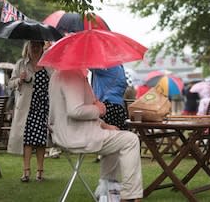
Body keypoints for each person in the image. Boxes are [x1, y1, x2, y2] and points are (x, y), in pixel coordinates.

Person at [48, 69, 143, 202]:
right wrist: (98, 109)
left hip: (72, 133)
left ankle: (107, 191)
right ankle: (130, 195)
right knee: (131, 140)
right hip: (76, 136)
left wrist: (105, 126)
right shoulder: (72, 75)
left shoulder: (59, 74)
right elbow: (75, 111)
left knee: (117, 136)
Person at [7, 40, 51, 182]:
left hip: (44, 107)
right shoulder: (21, 64)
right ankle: (26, 172)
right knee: (27, 140)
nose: (36, 48)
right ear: (28, 47)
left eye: (38, 45)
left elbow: (55, 81)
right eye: (33, 45)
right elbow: (10, 84)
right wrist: (19, 80)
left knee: (41, 140)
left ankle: (40, 172)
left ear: (42, 47)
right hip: (27, 108)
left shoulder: (48, 64)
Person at [92, 65, 129, 130]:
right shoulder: (119, 67)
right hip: (118, 107)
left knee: (106, 136)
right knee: (118, 135)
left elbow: (89, 65)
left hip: (107, 107)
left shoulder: (109, 67)